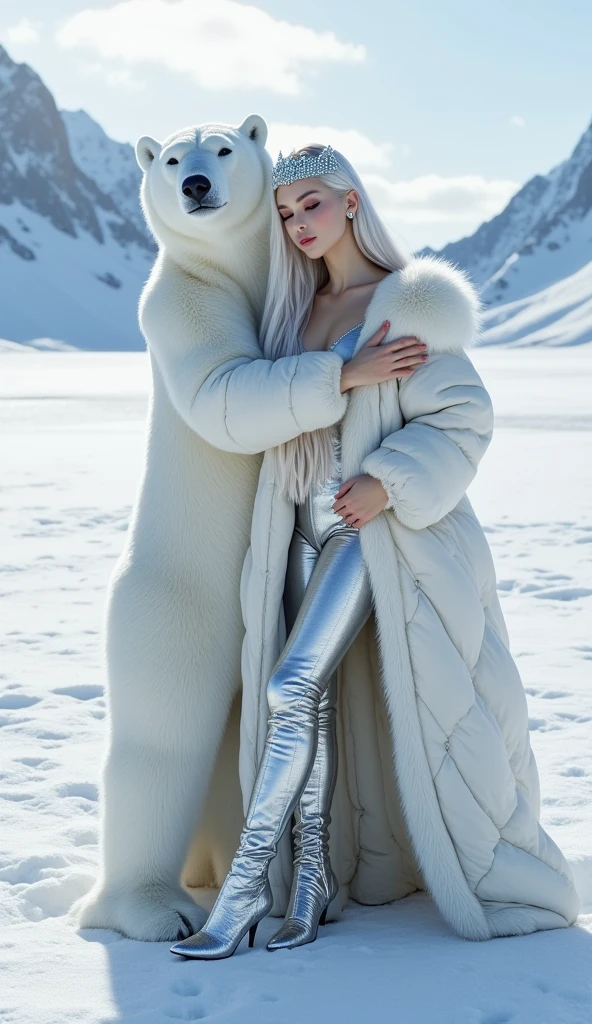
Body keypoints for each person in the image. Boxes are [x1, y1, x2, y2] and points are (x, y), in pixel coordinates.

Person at [170, 144, 579, 959]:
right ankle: (311, 880)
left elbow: (463, 416)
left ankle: (245, 893)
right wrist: (339, 376)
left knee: (289, 688)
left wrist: (389, 480)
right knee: (307, 703)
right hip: (297, 523)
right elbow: (267, 407)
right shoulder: (293, 313)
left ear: (352, 201)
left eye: (312, 205)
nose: (298, 225)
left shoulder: (404, 304)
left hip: (369, 531)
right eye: (286, 215)